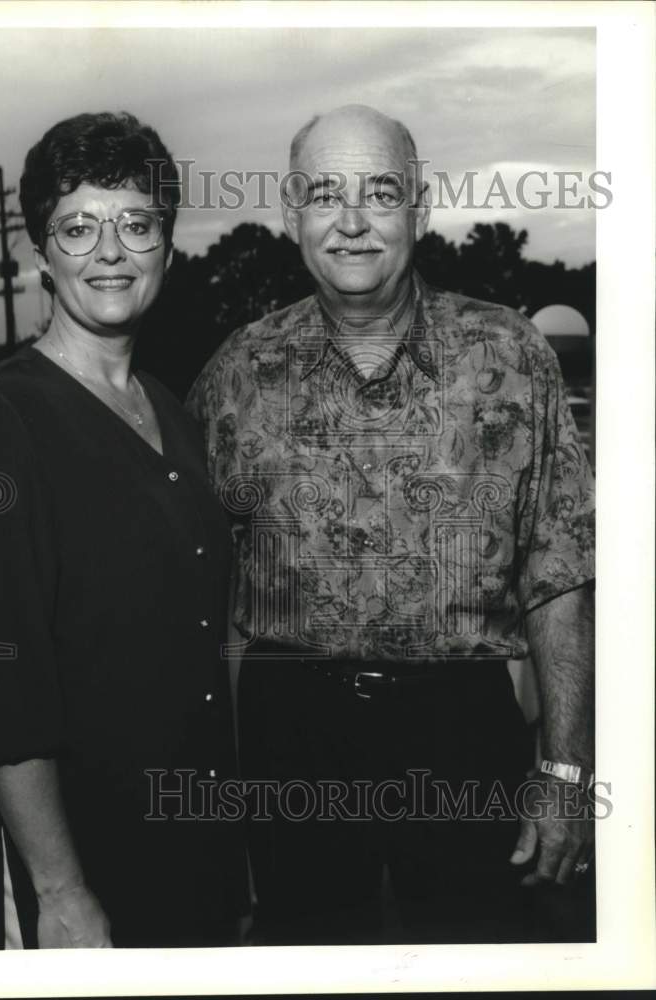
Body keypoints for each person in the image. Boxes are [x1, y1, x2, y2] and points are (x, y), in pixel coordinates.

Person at [186, 105, 595, 944]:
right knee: (303, 962)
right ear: (292, 211)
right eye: (323, 194)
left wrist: (561, 771)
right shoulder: (236, 373)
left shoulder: (510, 358)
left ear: (419, 205)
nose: (350, 222)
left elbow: (559, 578)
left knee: (479, 958)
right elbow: (195, 590)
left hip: (461, 729)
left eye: (378, 192)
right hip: (288, 732)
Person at [0, 111, 247, 949]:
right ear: (42, 249)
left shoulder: (176, 416)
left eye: (136, 225)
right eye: (78, 228)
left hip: (195, 854)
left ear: (168, 249)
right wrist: (61, 890)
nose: (109, 253)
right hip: (85, 871)